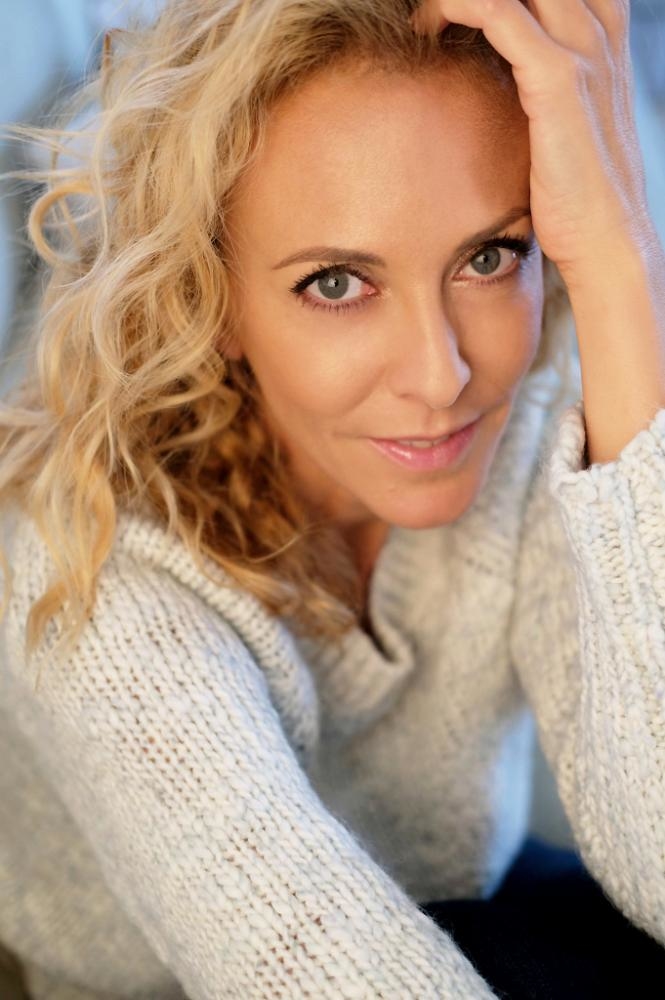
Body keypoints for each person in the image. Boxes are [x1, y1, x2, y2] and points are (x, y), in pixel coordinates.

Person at [0, 0, 664, 997]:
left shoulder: (535, 413)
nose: (440, 377)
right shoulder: (90, 560)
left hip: (470, 909)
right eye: (338, 284)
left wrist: (619, 265)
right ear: (213, 296)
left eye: (489, 256)